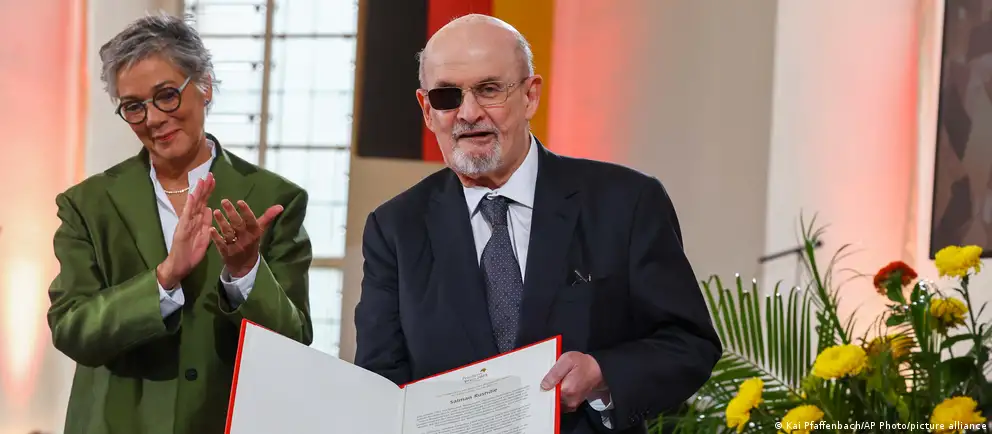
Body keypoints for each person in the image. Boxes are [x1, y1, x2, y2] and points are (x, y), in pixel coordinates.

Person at [353, 13, 722, 434]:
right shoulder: (394, 228)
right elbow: (380, 384)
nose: (468, 113)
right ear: (426, 109)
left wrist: (603, 374)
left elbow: (688, 343)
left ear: (530, 96)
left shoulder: (626, 202)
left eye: (489, 89)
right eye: (447, 96)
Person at [47, 13, 313, 434]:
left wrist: (246, 272)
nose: (153, 118)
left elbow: (293, 345)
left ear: (204, 86)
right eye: (133, 107)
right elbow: (71, 328)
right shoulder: (87, 205)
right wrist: (165, 277)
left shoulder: (275, 200)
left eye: (166, 95)